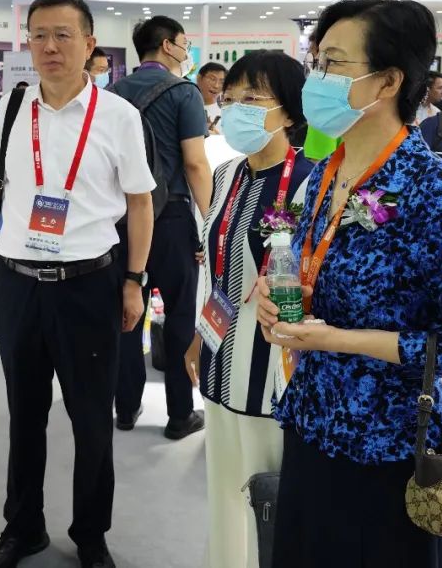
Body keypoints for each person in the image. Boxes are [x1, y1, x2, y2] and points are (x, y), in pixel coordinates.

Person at [255, 0, 442, 568]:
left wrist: (341, 340)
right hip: (311, 426)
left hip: (390, 450)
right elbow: (313, 271)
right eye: (316, 62)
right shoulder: (328, 172)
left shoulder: (431, 190)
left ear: (390, 81)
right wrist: (277, 297)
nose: (316, 79)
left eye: (334, 64)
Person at [0, 0, 155, 568]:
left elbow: (140, 203)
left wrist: (135, 280)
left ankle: (90, 533)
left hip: (90, 284)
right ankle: (23, 527)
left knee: (91, 418)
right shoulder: (12, 109)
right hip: (17, 283)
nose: (49, 46)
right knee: (25, 412)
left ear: (90, 44)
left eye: (63, 35)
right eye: (38, 35)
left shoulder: (118, 116)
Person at [183, 51, 313, 568]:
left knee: (269, 497)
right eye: (229, 98)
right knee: (223, 491)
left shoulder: (311, 182)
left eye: (252, 98)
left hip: (275, 373)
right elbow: (217, 268)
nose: (235, 109)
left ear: (289, 110)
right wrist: (198, 336)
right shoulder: (226, 174)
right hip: (220, 360)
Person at [112, 15, 213, 438]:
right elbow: (195, 163)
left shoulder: (111, 94)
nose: (187, 51)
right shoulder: (184, 92)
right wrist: (212, 222)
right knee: (179, 316)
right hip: (170, 218)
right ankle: (179, 414)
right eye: (184, 43)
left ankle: (125, 408)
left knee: (125, 313)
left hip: (121, 221)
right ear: (168, 45)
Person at [197, 62, 227, 135]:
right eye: (212, 79)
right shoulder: (186, 106)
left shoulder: (226, 113)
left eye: (221, 82)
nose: (216, 86)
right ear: (199, 78)